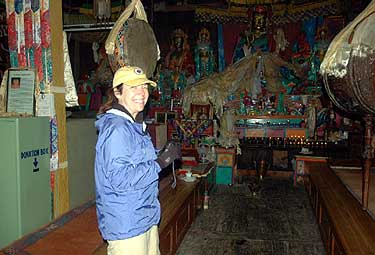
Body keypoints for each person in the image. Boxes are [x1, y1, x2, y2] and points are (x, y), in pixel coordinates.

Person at [94, 66, 181, 255]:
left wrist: (161, 153)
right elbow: (120, 178)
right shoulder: (117, 129)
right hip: (127, 222)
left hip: (143, 215)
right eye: (133, 87)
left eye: (144, 87)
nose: (141, 93)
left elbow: (136, 159)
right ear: (118, 92)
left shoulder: (131, 124)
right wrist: (160, 162)